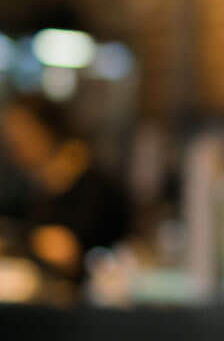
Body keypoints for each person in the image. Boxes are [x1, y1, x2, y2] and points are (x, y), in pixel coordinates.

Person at [0, 93, 130, 281]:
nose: (14, 149)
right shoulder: (34, 183)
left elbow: (68, 253)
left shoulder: (92, 184)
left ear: (47, 130)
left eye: (21, 138)